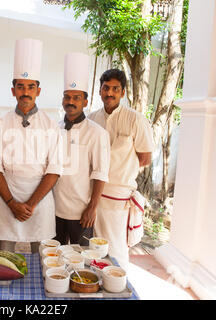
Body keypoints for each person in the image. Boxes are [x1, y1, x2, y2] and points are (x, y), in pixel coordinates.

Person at [0, 38, 62, 254]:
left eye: (31, 87)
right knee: (4, 259)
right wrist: (12, 203)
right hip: (6, 198)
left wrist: (30, 204)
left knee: (44, 260)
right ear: (13, 91)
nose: (25, 92)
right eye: (21, 87)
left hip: (40, 202)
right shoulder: (1, 124)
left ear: (38, 90)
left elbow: (54, 170)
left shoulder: (51, 125)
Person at [88, 68, 154, 270]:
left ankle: (118, 287)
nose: (110, 93)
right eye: (106, 88)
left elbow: (145, 158)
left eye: (115, 89)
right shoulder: (91, 119)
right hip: (91, 196)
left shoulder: (135, 119)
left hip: (118, 198)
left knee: (116, 249)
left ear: (123, 92)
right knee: (93, 248)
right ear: (100, 91)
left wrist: (120, 170)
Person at [53, 53, 110, 247]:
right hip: (53, 209)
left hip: (81, 212)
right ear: (62, 100)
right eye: (67, 97)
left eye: (76, 98)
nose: (71, 101)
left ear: (85, 102)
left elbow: (100, 173)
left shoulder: (97, 133)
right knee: (52, 259)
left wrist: (92, 208)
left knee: (82, 261)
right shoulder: (54, 129)